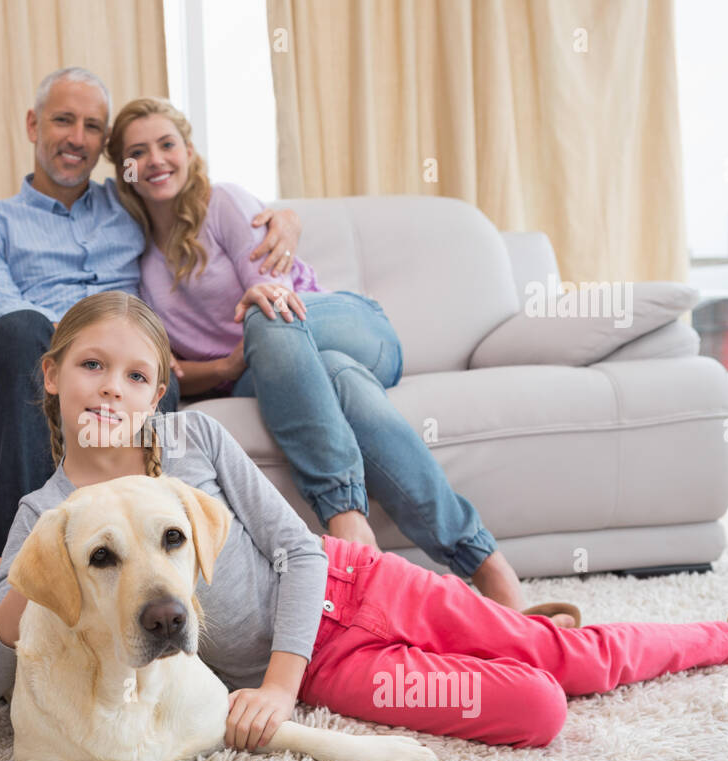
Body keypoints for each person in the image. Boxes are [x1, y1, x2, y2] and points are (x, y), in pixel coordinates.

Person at [0, 291, 728, 750]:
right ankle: (506, 643)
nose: (111, 389)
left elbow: (297, 551)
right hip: (334, 671)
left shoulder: (192, 440)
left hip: (352, 590)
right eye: (92, 366)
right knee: (539, 708)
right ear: (50, 373)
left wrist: (277, 685)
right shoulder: (46, 519)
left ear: (158, 393)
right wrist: (29, 582)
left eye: (135, 376)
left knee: (564, 656)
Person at [105, 96, 576, 627]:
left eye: (167, 145)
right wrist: (226, 368)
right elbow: (166, 365)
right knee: (341, 384)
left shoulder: (225, 204)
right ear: (122, 170)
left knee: (269, 317)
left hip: (342, 325)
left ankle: (347, 524)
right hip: (274, 372)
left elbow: (275, 294)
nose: (155, 160)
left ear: (189, 151)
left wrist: (243, 347)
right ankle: (488, 566)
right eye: (137, 152)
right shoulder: (137, 257)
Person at [0, 67, 303, 558]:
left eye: (93, 126)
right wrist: (81, 343)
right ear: (34, 125)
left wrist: (286, 218)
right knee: (17, 329)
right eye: (63, 121)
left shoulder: (129, 203)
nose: (77, 139)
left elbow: (198, 203)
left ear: (104, 144)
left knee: (150, 365)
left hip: (131, 360)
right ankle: (19, 561)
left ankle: (149, 557)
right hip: (40, 355)